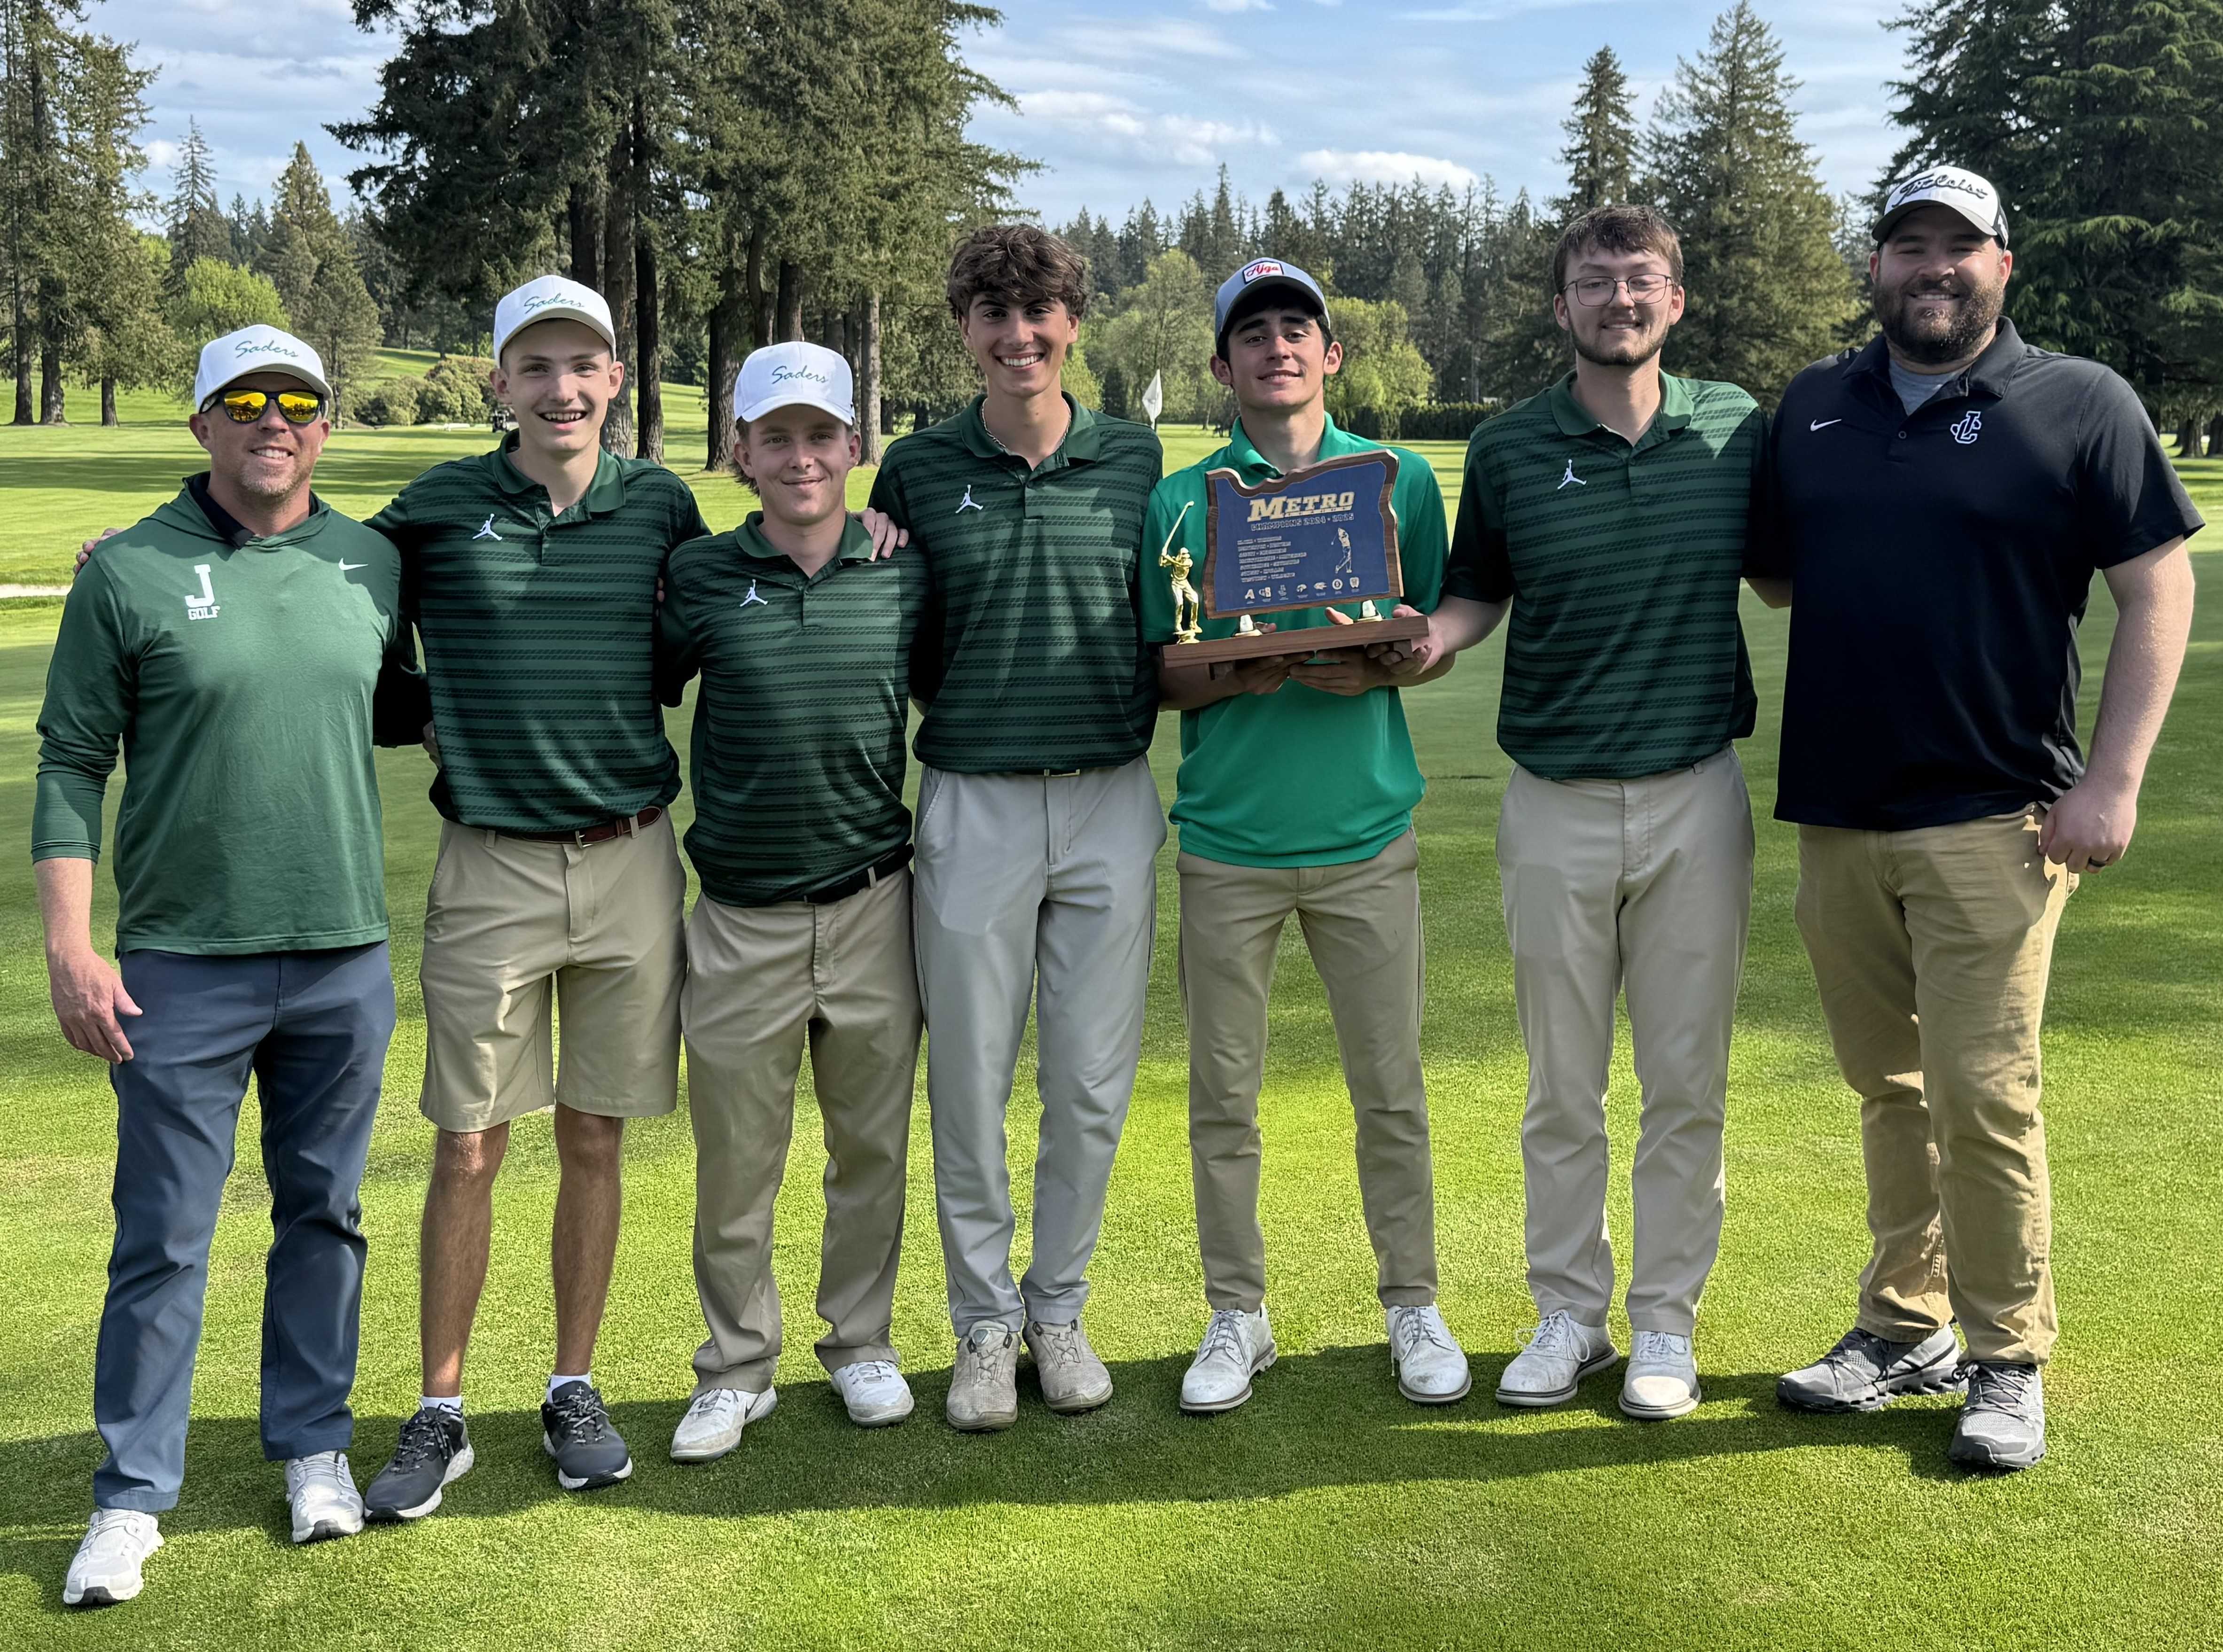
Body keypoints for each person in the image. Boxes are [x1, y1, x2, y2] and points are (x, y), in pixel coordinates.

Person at [1755, 166, 2200, 1471]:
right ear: (1875, 265)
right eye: (1909, 244)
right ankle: (1905, 1326)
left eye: (1960, 244)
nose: (1932, 266)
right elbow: (1776, 574)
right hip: (1838, 813)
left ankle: (2005, 1355)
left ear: (2003, 263)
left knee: (1981, 1098)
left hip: (1997, 815)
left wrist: (2111, 781)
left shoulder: (2079, 400)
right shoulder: (1814, 404)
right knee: (1887, 1091)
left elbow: (2156, 588)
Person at [36, 327, 422, 1607]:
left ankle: (314, 1448)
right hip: (180, 964)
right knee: (163, 1234)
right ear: (202, 421)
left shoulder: (373, 560)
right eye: (245, 400)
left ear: (327, 426)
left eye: (298, 402)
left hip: (342, 954)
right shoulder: (128, 570)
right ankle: (130, 1497)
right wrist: (70, 943)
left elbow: (414, 697)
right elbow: (71, 759)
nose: (274, 420)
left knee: (326, 1215)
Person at [1424, 205, 1773, 1421]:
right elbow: (1476, 591)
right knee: (1561, 1088)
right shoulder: (1511, 446)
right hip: (1553, 802)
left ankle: (1664, 1322)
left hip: (1695, 797)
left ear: (1674, 299)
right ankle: (1568, 1314)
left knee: (1685, 1083)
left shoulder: (1732, 426)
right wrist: (1428, 640)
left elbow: (1791, 571)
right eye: (1593, 281)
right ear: (1560, 304)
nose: (1617, 298)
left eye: (1639, 279)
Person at [1146, 257, 1471, 1414]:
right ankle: (1236, 1313)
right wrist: (1236, 671)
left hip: (1364, 833)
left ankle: (1411, 1303)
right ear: (1222, 364)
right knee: (1222, 1100)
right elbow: (1162, 674)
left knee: (1389, 1091)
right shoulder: (1182, 500)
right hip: (1225, 840)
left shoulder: (1396, 480)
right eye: (1253, 333)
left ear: (1330, 354)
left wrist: (1381, 667)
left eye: (1296, 329)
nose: (1276, 347)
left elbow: (1423, 635)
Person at [866, 226, 1165, 1430]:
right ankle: (983, 1327)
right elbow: (893, 622)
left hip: (1109, 797)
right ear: (964, 330)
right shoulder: (915, 469)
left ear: (1072, 324)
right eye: (992, 313)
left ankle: (1059, 1311)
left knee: (1088, 1082)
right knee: (971, 1080)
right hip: (973, 799)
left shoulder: (1136, 458)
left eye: (1038, 311)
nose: (1017, 335)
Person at [655, 343, 935, 1462]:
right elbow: (635, 684)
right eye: (776, 438)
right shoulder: (699, 575)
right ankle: (735, 1368)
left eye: (821, 435)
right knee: (737, 1163)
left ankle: (859, 1342)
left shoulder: (903, 570)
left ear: (853, 447)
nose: (801, 457)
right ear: (741, 453)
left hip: (875, 905)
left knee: (870, 1152)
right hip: (739, 917)